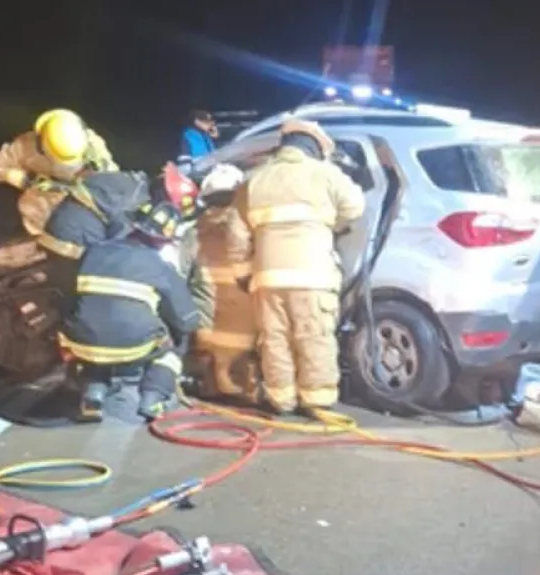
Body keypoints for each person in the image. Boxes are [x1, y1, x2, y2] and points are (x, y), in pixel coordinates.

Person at [227, 119, 365, 414]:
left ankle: (282, 400)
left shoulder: (254, 179)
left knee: (274, 340)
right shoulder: (326, 174)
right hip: (313, 276)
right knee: (313, 336)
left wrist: (243, 274)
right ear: (316, 147)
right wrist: (331, 224)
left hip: (266, 278)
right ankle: (316, 401)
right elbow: (354, 208)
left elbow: (236, 234)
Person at [57, 177, 201, 422]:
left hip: (80, 342)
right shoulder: (159, 265)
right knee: (176, 344)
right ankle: (153, 398)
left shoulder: (94, 251)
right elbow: (186, 320)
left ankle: (94, 393)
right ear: (163, 239)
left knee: (97, 332)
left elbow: (69, 298)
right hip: (131, 346)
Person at [187, 163, 260, 402]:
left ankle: (213, 380)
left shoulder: (192, 233)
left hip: (207, 339)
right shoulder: (250, 230)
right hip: (248, 342)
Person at [0, 109, 118, 237]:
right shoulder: (26, 147)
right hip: (45, 194)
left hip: (80, 200)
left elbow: (112, 180)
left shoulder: (96, 152)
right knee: (33, 208)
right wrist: (21, 178)